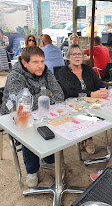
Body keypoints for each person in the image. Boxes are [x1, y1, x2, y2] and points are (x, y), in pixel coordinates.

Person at [0, 46, 64, 187]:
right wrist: (46, 94)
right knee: (29, 130)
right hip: (13, 117)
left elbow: (59, 95)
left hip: (40, 113)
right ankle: (32, 170)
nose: (40, 65)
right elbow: (21, 106)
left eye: (42, 61)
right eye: (35, 62)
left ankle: (48, 159)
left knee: (57, 123)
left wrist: (38, 99)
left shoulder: (46, 71)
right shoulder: (15, 76)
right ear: (24, 62)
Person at [58, 44, 109, 154]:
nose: (77, 57)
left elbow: (99, 83)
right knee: (83, 112)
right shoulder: (63, 72)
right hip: (72, 104)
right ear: (68, 57)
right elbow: (70, 91)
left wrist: (104, 89)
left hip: (91, 103)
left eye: (79, 54)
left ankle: (86, 137)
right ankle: (87, 138)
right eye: (74, 54)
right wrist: (92, 94)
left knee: (104, 112)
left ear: (83, 56)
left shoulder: (88, 69)